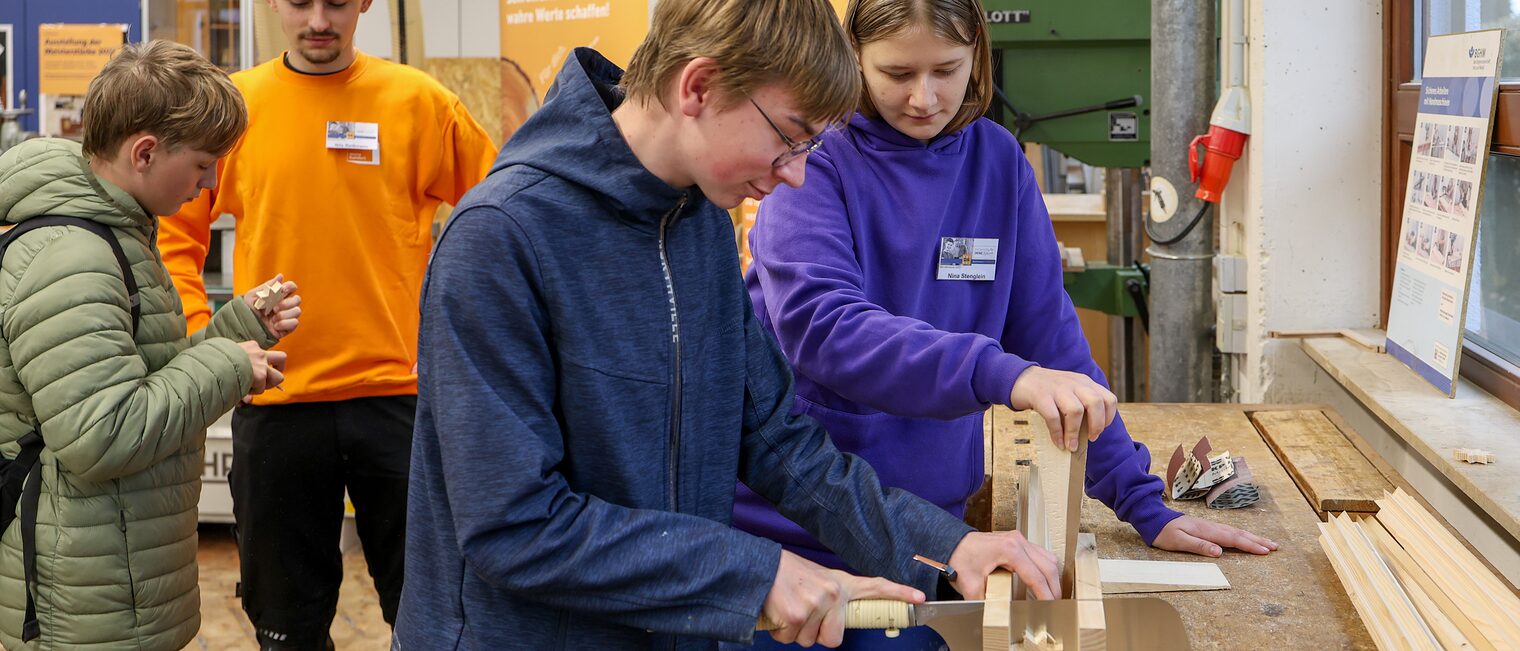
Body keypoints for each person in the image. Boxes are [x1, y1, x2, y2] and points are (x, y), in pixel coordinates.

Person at [398, 1, 1068, 649]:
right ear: (699, 87)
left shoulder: (696, 223)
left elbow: (776, 439)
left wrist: (946, 546)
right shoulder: (501, 237)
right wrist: (757, 572)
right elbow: (514, 525)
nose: (799, 173)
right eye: (788, 136)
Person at [738, 1, 1279, 648]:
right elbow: (824, 330)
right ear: (855, 58)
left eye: (946, 69)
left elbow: (1050, 342)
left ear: (979, 57)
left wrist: (1140, 500)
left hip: (933, 535)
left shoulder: (997, 162)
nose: (923, 96)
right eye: (897, 72)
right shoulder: (813, 161)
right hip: (799, 536)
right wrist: (1000, 373)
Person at [157, 1, 497, 648]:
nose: (318, 19)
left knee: (436, 617)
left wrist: (470, 338)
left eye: (337, 2)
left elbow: (502, 213)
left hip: (398, 400)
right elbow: (174, 232)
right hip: (276, 401)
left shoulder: (418, 103)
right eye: (299, 2)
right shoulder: (236, 108)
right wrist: (209, 339)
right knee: (286, 627)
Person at [0, 41, 295, 650]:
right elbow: (101, 434)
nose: (211, 183)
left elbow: (145, 375)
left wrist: (239, 329)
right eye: (204, 164)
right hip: (84, 600)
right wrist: (226, 365)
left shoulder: (115, 232)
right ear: (144, 152)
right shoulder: (73, 258)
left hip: (112, 575)